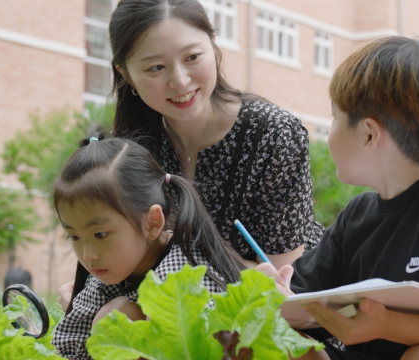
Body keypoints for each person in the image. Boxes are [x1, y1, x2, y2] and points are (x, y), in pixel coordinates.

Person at [257, 36, 419, 360]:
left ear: (369, 134)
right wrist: (275, 289)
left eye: (334, 119)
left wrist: (385, 324)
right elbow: (302, 301)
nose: (329, 134)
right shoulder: (356, 215)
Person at [109, 0, 324, 267]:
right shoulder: (125, 153)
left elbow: (282, 276)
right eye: (156, 67)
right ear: (125, 74)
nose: (180, 80)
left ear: (213, 43)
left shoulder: (274, 134)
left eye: (192, 57)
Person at [51, 130, 246, 359]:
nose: (88, 254)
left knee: (117, 318)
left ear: (152, 223)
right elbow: (68, 344)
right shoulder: (117, 267)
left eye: (100, 234)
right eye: (74, 237)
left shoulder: (184, 280)